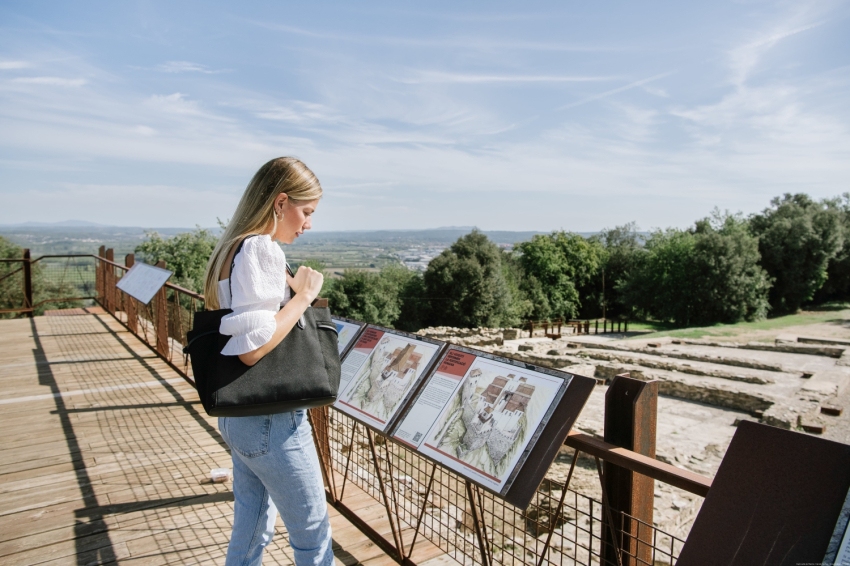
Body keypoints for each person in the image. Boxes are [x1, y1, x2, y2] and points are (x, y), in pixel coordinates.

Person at [202, 157, 332, 566]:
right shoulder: (261, 247)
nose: (308, 224)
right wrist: (303, 297)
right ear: (280, 203)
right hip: (272, 420)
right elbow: (252, 347)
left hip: (240, 417)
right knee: (313, 537)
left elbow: (244, 325)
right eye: (306, 211)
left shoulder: (232, 247)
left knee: (252, 529)